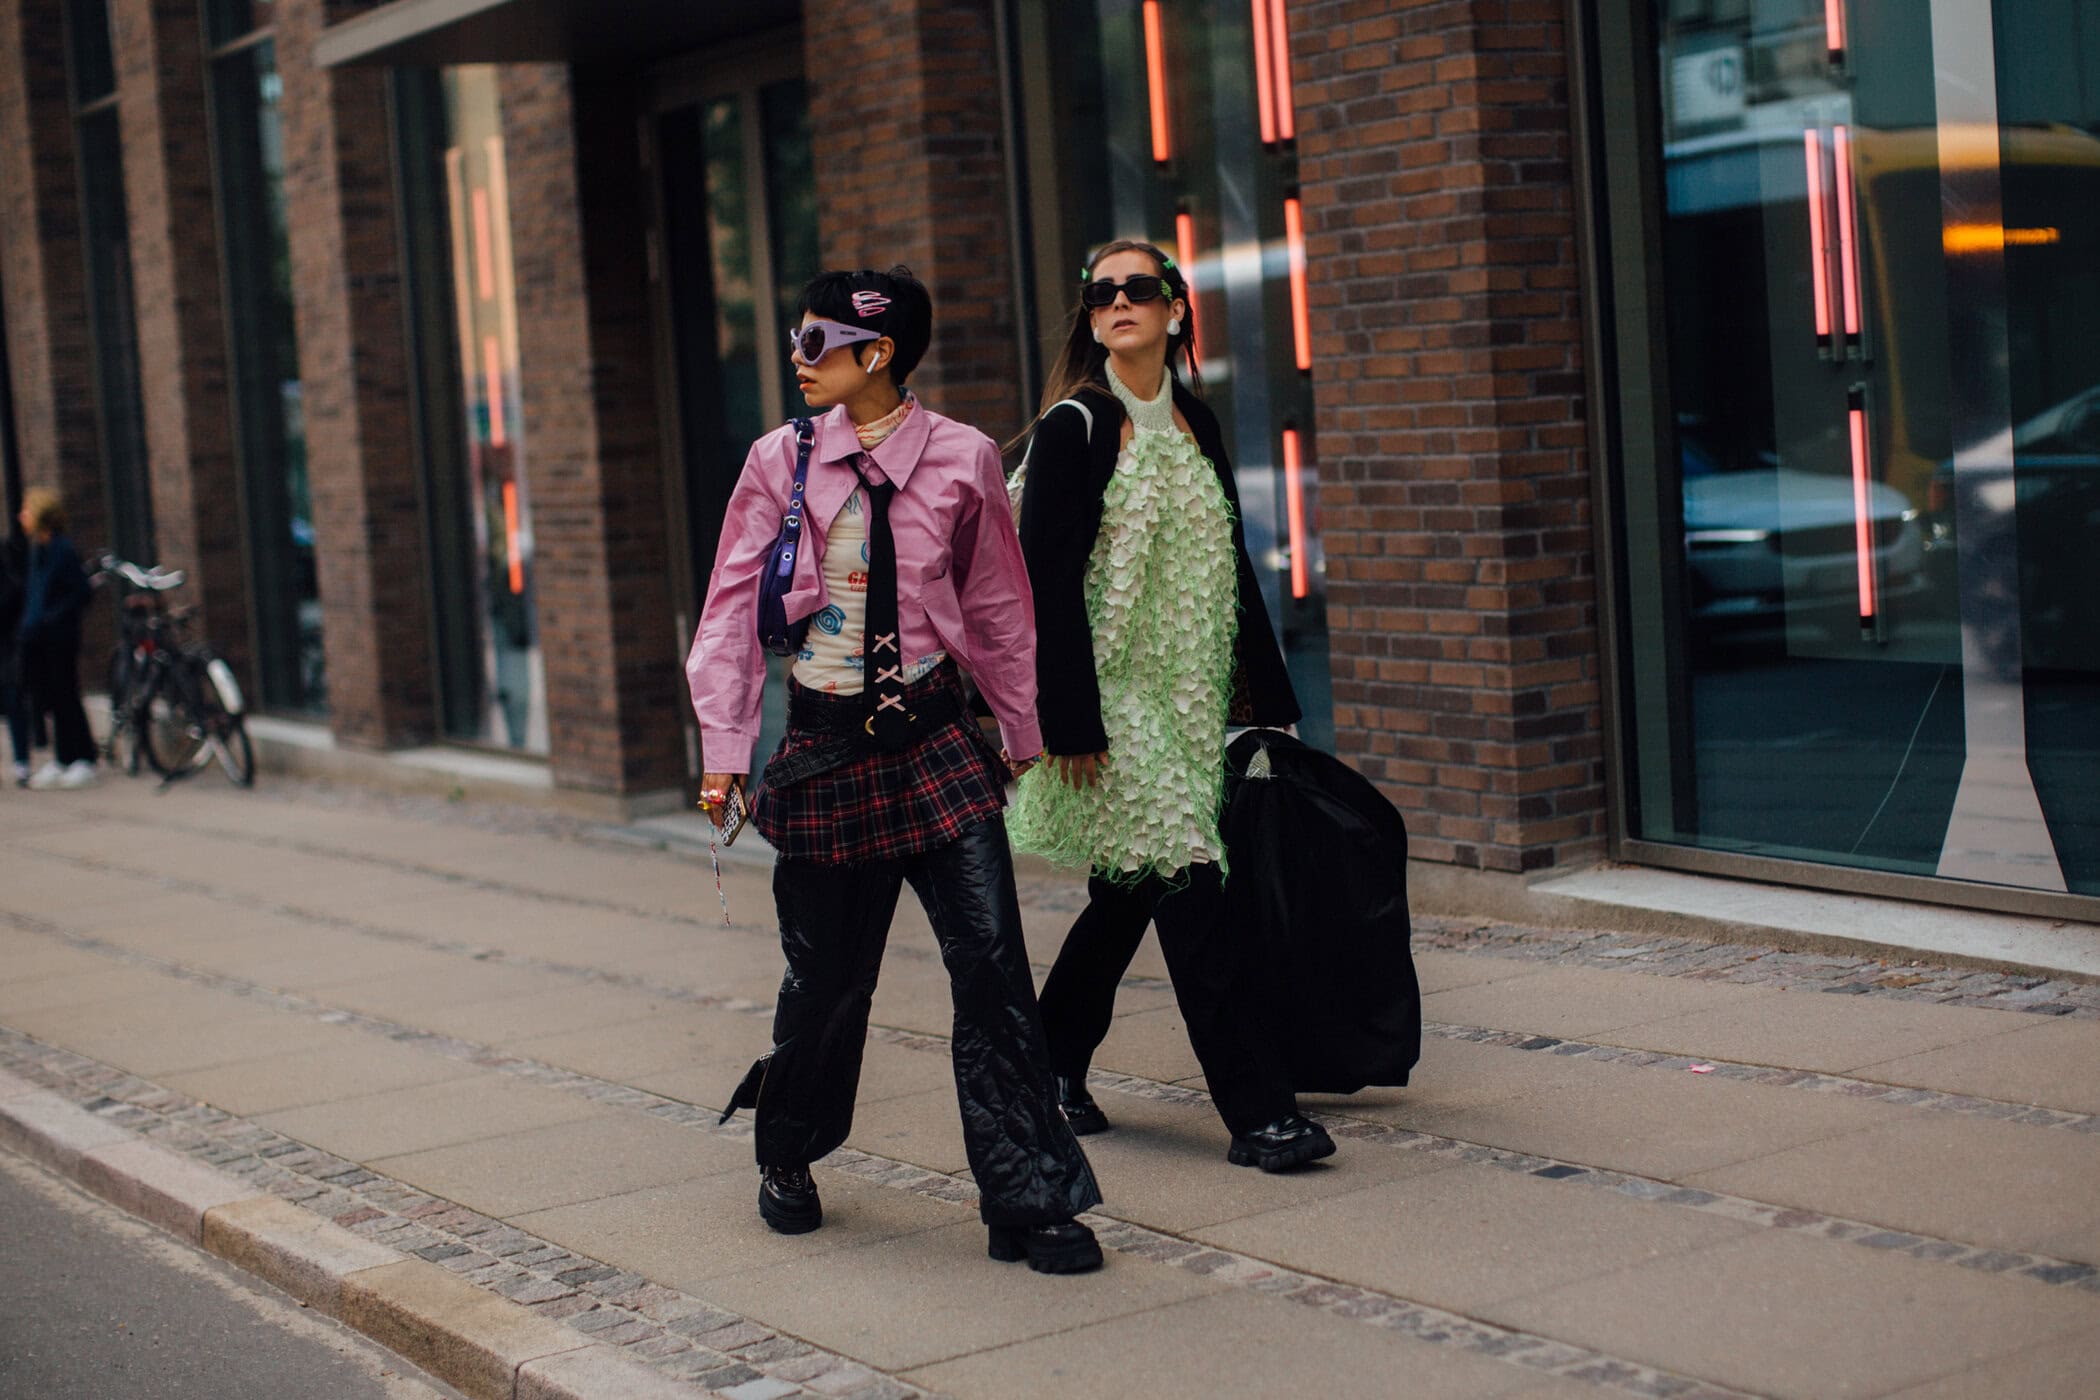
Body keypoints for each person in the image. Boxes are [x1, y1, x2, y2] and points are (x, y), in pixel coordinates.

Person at [685, 266, 1104, 1274]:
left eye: (816, 341)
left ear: (878, 353)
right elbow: (730, 607)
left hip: (935, 744)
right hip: (824, 749)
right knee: (827, 983)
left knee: (994, 969)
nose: (798, 357)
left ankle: (1028, 1195)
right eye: (797, 336)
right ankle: (788, 1150)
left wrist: (1021, 727)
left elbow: (998, 604)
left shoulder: (962, 457)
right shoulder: (778, 460)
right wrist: (726, 751)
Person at [1007, 239, 1335, 1173]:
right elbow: (1047, 585)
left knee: (1128, 894)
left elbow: (1229, 567)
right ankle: (1259, 1113)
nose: (1117, 303)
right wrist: (1069, 720)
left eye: (1138, 289)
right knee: (1194, 885)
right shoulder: (1075, 426)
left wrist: (1266, 697)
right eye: (1100, 293)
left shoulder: (1196, 421)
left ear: (1175, 308)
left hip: (1185, 700)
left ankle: (1047, 1063)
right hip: (1111, 705)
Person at [15, 488, 96, 790]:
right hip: (38, 637)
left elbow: (81, 592)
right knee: (49, 697)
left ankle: (83, 758)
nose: (21, 517)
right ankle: (63, 758)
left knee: (66, 693)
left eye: (27, 511)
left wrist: (52, 617)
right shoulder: (38, 550)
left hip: (59, 636)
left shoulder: (62, 549)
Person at [0, 517, 34, 785]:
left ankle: (22, 761)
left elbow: (14, 594)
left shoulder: (5, 562)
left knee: (13, 700)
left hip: (7, 645)